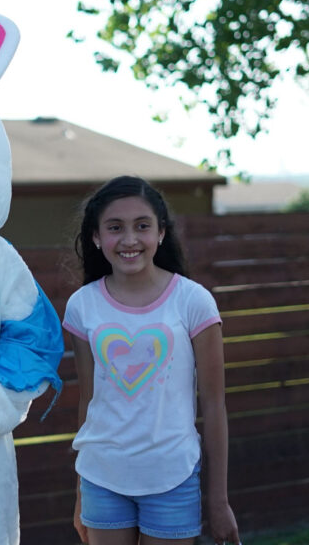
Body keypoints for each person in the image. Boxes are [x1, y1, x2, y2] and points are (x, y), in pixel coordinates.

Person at [63, 176, 240, 545]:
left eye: (142, 226)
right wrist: (82, 492)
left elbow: (214, 403)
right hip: (102, 478)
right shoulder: (82, 305)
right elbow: (89, 400)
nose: (129, 240)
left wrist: (219, 500)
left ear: (161, 233)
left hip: (172, 477)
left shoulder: (194, 302)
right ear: (96, 237)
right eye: (115, 228)